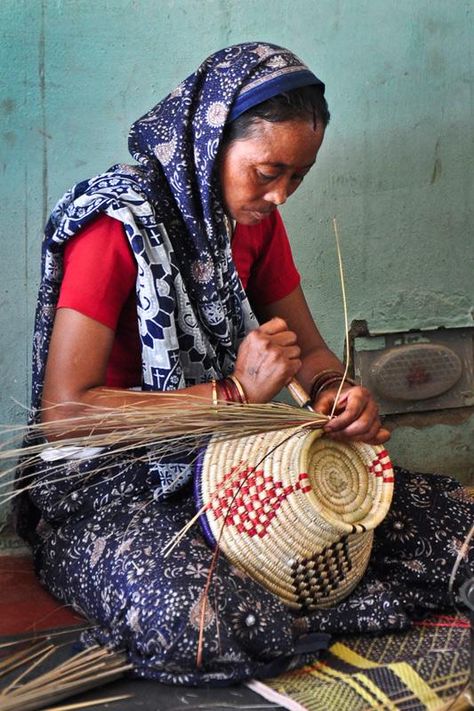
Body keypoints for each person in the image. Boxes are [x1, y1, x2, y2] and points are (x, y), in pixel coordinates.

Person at [15, 42, 473, 686]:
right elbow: (65, 416)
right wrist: (233, 394)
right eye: (267, 172)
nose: (281, 195)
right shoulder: (115, 228)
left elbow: (310, 354)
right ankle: (295, 612)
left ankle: (291, 612)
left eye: (299, 177)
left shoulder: (251, 220)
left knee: (454, 519)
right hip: (108, 491)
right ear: (209, 146)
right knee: (194, 616)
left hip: (224, 468)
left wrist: (336, 392)